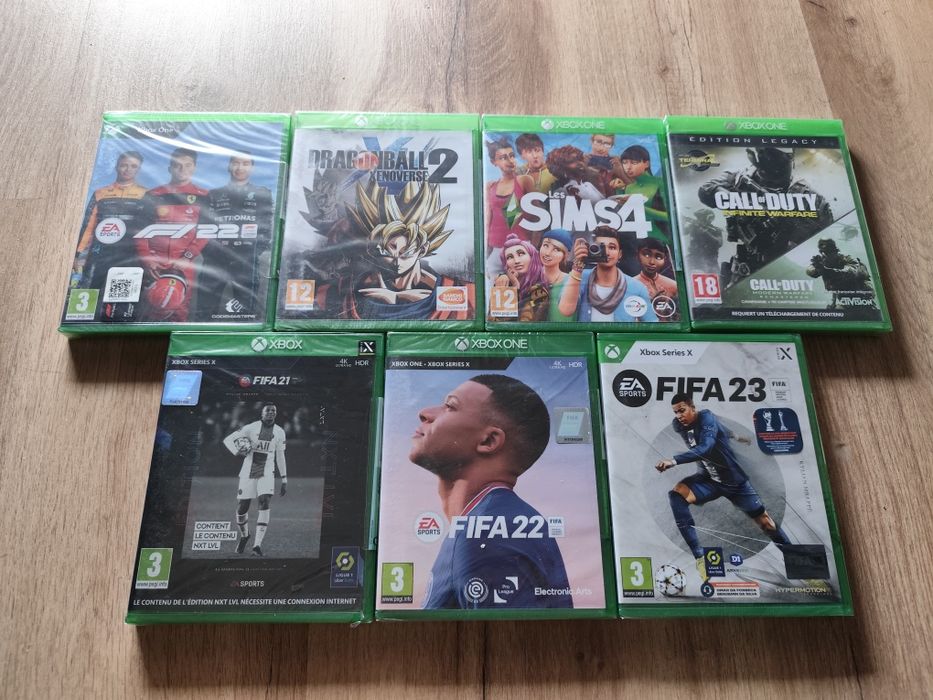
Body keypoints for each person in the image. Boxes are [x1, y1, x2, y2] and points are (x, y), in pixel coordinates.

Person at [410, 374, 571, 609]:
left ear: (488, 441)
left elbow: (508, 631)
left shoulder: (484, 533)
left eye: (450, 406)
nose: (424, 413)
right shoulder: (502, 522)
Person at [654, 394, 793, 582]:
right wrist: (735, 436)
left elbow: (706, 447)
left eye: (682, 410)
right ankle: (700, 559)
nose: (679, 416)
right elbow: (719, 428)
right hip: (708, 480)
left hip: (734, 482)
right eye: (675, 412)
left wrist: (674, 461)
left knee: (766, 523)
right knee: (677, 494)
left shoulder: (706, 417)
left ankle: (798, 562)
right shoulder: (679, 425)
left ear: (693, 407)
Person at [314, 180, 473, 320]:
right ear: (372, 249)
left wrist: (396, 298)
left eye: (406, 253)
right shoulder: (338, 292)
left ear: (422, 249)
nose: (397, 261)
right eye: (387, 252)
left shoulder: (465, 293)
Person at [698, 146, 832, 285]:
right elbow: (706, 190)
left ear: (789, 159)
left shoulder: (810, 197)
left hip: (784, 271)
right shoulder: (738, 178)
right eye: (763, 154)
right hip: (745, 269)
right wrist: (738, 202)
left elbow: (826, 234)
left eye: (774, 157)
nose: (768, 162)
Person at [133, 147, 210, 321]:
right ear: (170, 168)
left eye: (187, 165)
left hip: (185, 262)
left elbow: (205, 232)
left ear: (194, 168)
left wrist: (186, 258)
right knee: (148, 305)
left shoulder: (204, 196)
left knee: (179, 306)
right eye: (177, 165)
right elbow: (139, 230)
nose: (182, 169)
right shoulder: (153, 194)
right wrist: (148, 259)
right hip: (155, 263)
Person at [71, 150, 147, 321]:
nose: (128, 169)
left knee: (123, 300)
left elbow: (147, 228)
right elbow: (88, 226)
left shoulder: (145, 194)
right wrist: (76, 254)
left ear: (139, 169)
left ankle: (117, 323)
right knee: (89, 286)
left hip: (129, 254)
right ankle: (79, 321)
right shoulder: (100, 192)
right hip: (99, 252)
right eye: (124, 165)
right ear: (117, 166)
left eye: (133, 166)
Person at [197, 152, 273, 319]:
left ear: (252, 168)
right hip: (215, 259)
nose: (240, 168)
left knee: (245, 313)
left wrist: (254, 251)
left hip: (246, 259)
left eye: (245, 164)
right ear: (229, 166)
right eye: (236, 163)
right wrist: (210, 252)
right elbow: (202, 227)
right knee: (203, 310)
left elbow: (267, 226)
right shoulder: (214, 194)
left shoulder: (262, 193)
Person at [223, 403, 287, 557]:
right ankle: (245, 535)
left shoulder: (279, 432)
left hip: (267, 472)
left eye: (273, 410)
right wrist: (237, 452)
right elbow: (228, 440)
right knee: (242, 507)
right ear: (262, 413)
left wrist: (284, 478)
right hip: (248, 471)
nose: (271, 412)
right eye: (268, 410)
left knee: (264, 501)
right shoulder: (250, 428)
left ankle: (257, 545)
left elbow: (280, 456)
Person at [558, 226, 657, 323]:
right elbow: (566, 311)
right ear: (592, 250)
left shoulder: (637, 287)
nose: (607, 253)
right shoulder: (580, 277)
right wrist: (578, 264)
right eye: (601, 247)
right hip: (588, 334)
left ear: (620, 254)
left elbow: (652, 325)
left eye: (612, 247)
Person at [484, 136, 534, 277]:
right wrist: (486, 254)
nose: (510, 160)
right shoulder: (490, 187)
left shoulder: (524, 180)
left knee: (525, 287)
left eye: (512, 156)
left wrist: (533, 248)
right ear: (493, 162)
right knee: (496, 287)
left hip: (522, 247)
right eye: (503, 158)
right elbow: (488, 220)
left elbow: (537, 218)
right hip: (496, 250)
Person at [609, 145, 671, 245]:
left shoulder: (661, 183)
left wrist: (639, 207)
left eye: (634, 163)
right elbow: (627, 217)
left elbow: (670, 217)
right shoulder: (629, 187)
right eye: (624, 162)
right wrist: (620, 190)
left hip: (660, 242)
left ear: (647, 164)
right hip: (637, 243)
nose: (628, 167)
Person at [806, 238, 877, 313]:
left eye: (828, 252)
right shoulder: (824, 262)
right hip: (843, 299)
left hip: (861, 297)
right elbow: (811, 271)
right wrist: (815, 268)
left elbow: (850, 273)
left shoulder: (847, 259)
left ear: (834, 249)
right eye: (824, 253)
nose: (827, 256)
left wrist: (826, 270)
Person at [491, 234, 549, 322]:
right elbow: (493, 321)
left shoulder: (539, 291)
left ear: (532, 257)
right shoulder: (504, 283)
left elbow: (524, 323)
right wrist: (507, 288)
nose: (516, 261)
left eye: (521, 254)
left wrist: (514, 288)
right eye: (510, 257)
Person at [635, 237, 679, 322]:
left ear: (665, 259)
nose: (652, 262)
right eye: (647, 255)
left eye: (658, 257)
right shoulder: (628, 285)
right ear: (637, 256)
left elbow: (679, 318)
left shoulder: (673, 286)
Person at [538, 229, 574, 322]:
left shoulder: (571, 281)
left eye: (556, 249)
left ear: (564, 255)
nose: (547, 253)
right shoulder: (531, 277)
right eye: (546, 245)